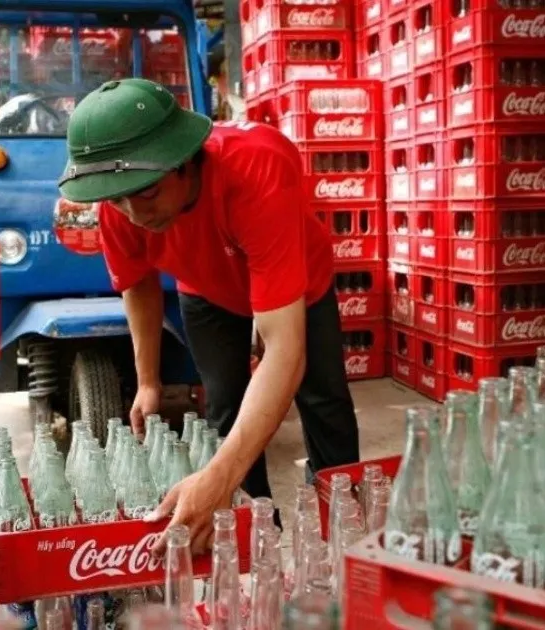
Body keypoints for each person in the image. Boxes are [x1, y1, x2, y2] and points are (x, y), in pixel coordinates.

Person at [56, 78, 360, 552]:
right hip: (205, 287)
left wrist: (216, 477)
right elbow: (137, 284)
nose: (134, 213)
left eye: (149, 192)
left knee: (324, 403)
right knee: (225, 406)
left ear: (183, 162)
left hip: (299, 282)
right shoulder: (119, 201)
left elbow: (285, 349)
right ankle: (257, 533)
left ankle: (339, 528)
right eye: (119, 199)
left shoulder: (257, 167)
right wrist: (149, 381)